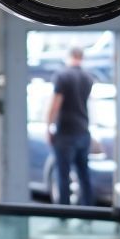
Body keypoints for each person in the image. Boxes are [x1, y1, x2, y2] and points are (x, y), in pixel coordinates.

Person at [46, 47, 106, 206]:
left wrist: (49, 127)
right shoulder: (88, 77)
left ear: (69, 57)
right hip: (83, 132)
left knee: (63, 175)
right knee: (84, 175)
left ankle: (64, 213)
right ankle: (89, 212)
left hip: (65, 132)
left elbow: (55, 105)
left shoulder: (62, 76)